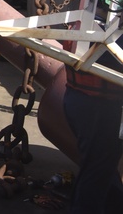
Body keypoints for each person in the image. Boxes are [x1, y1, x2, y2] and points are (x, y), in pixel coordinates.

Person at [62, 43, 123, 213]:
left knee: (101, 168)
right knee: (97, 172)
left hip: (77, 98)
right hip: (101, 108)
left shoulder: (89, 23)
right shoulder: (110, 33)